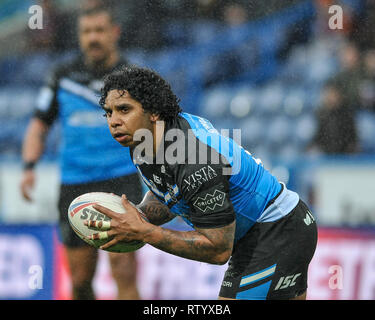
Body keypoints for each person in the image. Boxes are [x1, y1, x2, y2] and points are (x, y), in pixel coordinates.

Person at [85, 66, 318, 300]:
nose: (114, 121)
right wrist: (138, 215)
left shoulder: (195, 159)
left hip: (277, 229)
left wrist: (144, 231)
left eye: (124, 109)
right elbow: (168, 193)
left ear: (153, 111)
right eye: (108, 112)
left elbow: (217, 250)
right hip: (269, 231)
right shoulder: (145, 140)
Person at [20, 6, 143, 300]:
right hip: (74, 184)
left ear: (115, 32)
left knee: (124, 270)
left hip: (121, 180)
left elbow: (155, 129)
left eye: (99, 31)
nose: (93, 38)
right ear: (79, 36)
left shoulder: (133, 78)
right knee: (79, 279)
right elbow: (39, 125)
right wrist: (28, 166)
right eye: (87, 32)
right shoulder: (62, 76)